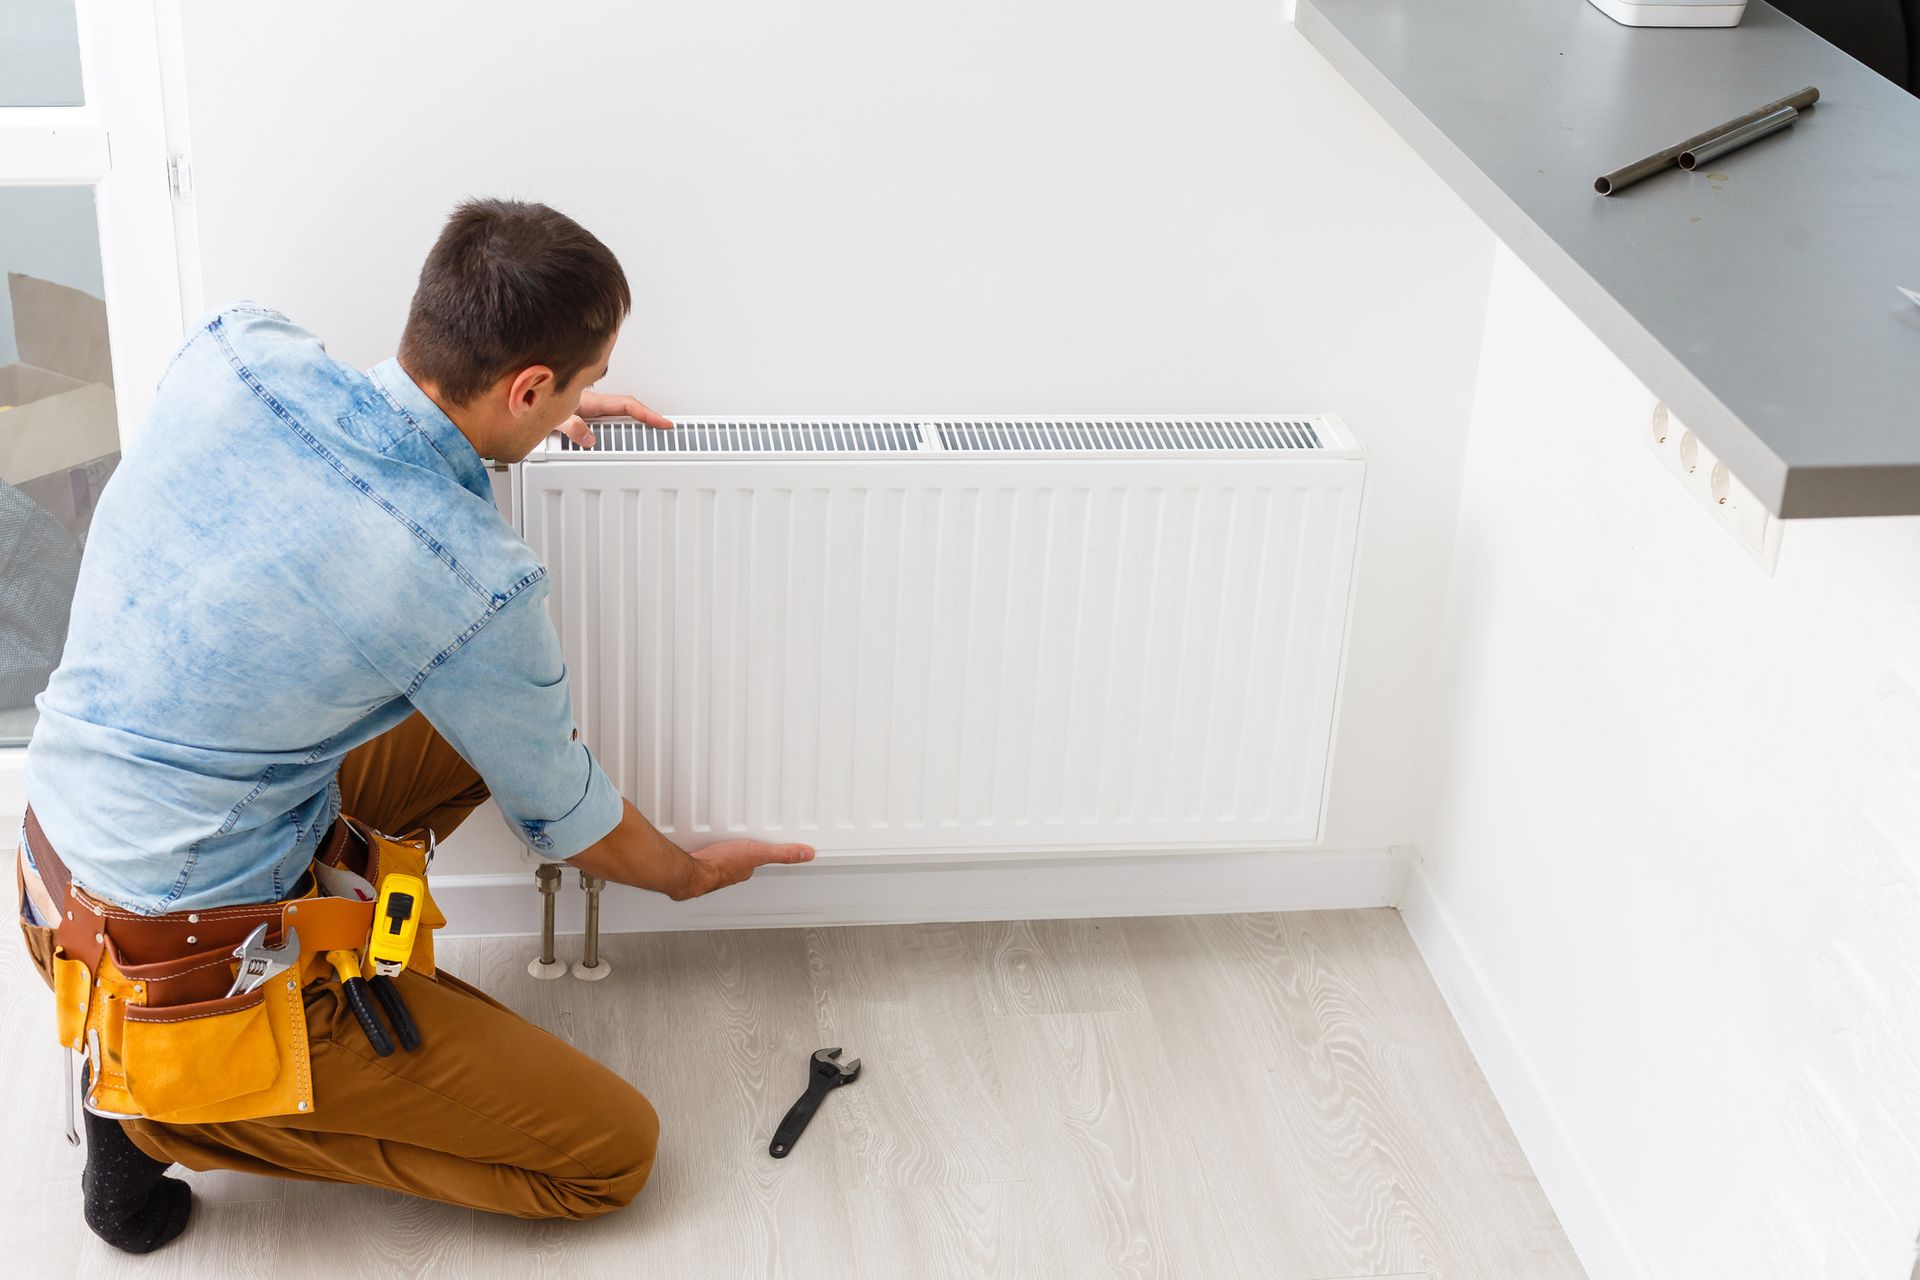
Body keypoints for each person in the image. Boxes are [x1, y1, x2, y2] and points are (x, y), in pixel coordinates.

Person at [14, 198, 814, 1253]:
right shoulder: (466, 577)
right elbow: (573, 822)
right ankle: (161, 1108)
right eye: (569, 385)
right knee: (612, 1155)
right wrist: (688, 873)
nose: (577, 399)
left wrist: (512, 419)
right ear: (528, 384)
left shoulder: (236, 350)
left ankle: (311, 978)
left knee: (465, 730)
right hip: (183, 968)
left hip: (50, 866)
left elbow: (345, 467)